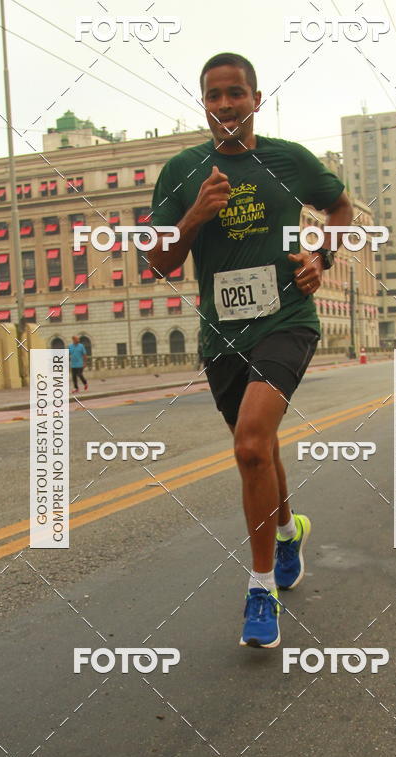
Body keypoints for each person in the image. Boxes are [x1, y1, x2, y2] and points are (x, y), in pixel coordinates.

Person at [147, 52, 353, 649]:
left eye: (237, 93)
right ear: (204, 105)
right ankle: (287, 533)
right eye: (215, 95)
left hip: (287, 319)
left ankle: (260, 588)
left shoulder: (289, 160)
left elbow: (338, 208)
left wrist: (321, 258)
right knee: (259, 449)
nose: (227, 104)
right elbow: (160, 262)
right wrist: (194, 216)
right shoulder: (183, 172)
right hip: (222, 336)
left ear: (257, 100)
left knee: (248, 444)